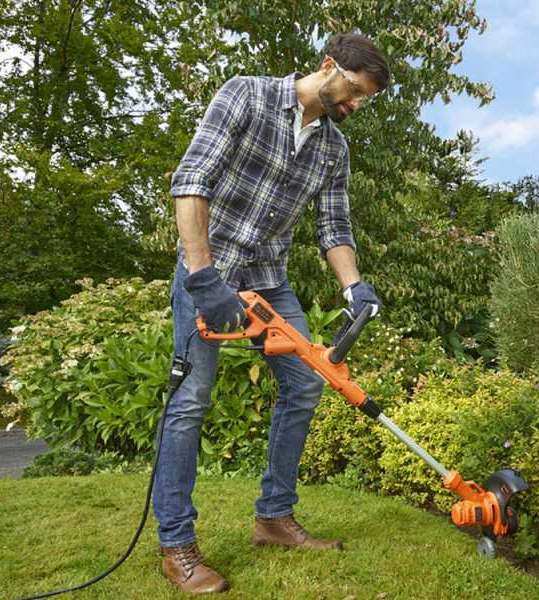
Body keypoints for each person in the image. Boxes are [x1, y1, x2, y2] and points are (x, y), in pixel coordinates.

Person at [153, 33, 391, 594]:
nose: (356, 106)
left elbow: (333, 228)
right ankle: (177, 545)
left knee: (307, 384)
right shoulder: (247, 96)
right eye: (355, 91)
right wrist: (203, 275)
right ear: (329, 66)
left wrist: (354, 287)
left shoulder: (335, 149)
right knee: (189, 403)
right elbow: (191, 182)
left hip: (270, 283)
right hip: (207, 272)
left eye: (365, 100)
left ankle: (274, 518)